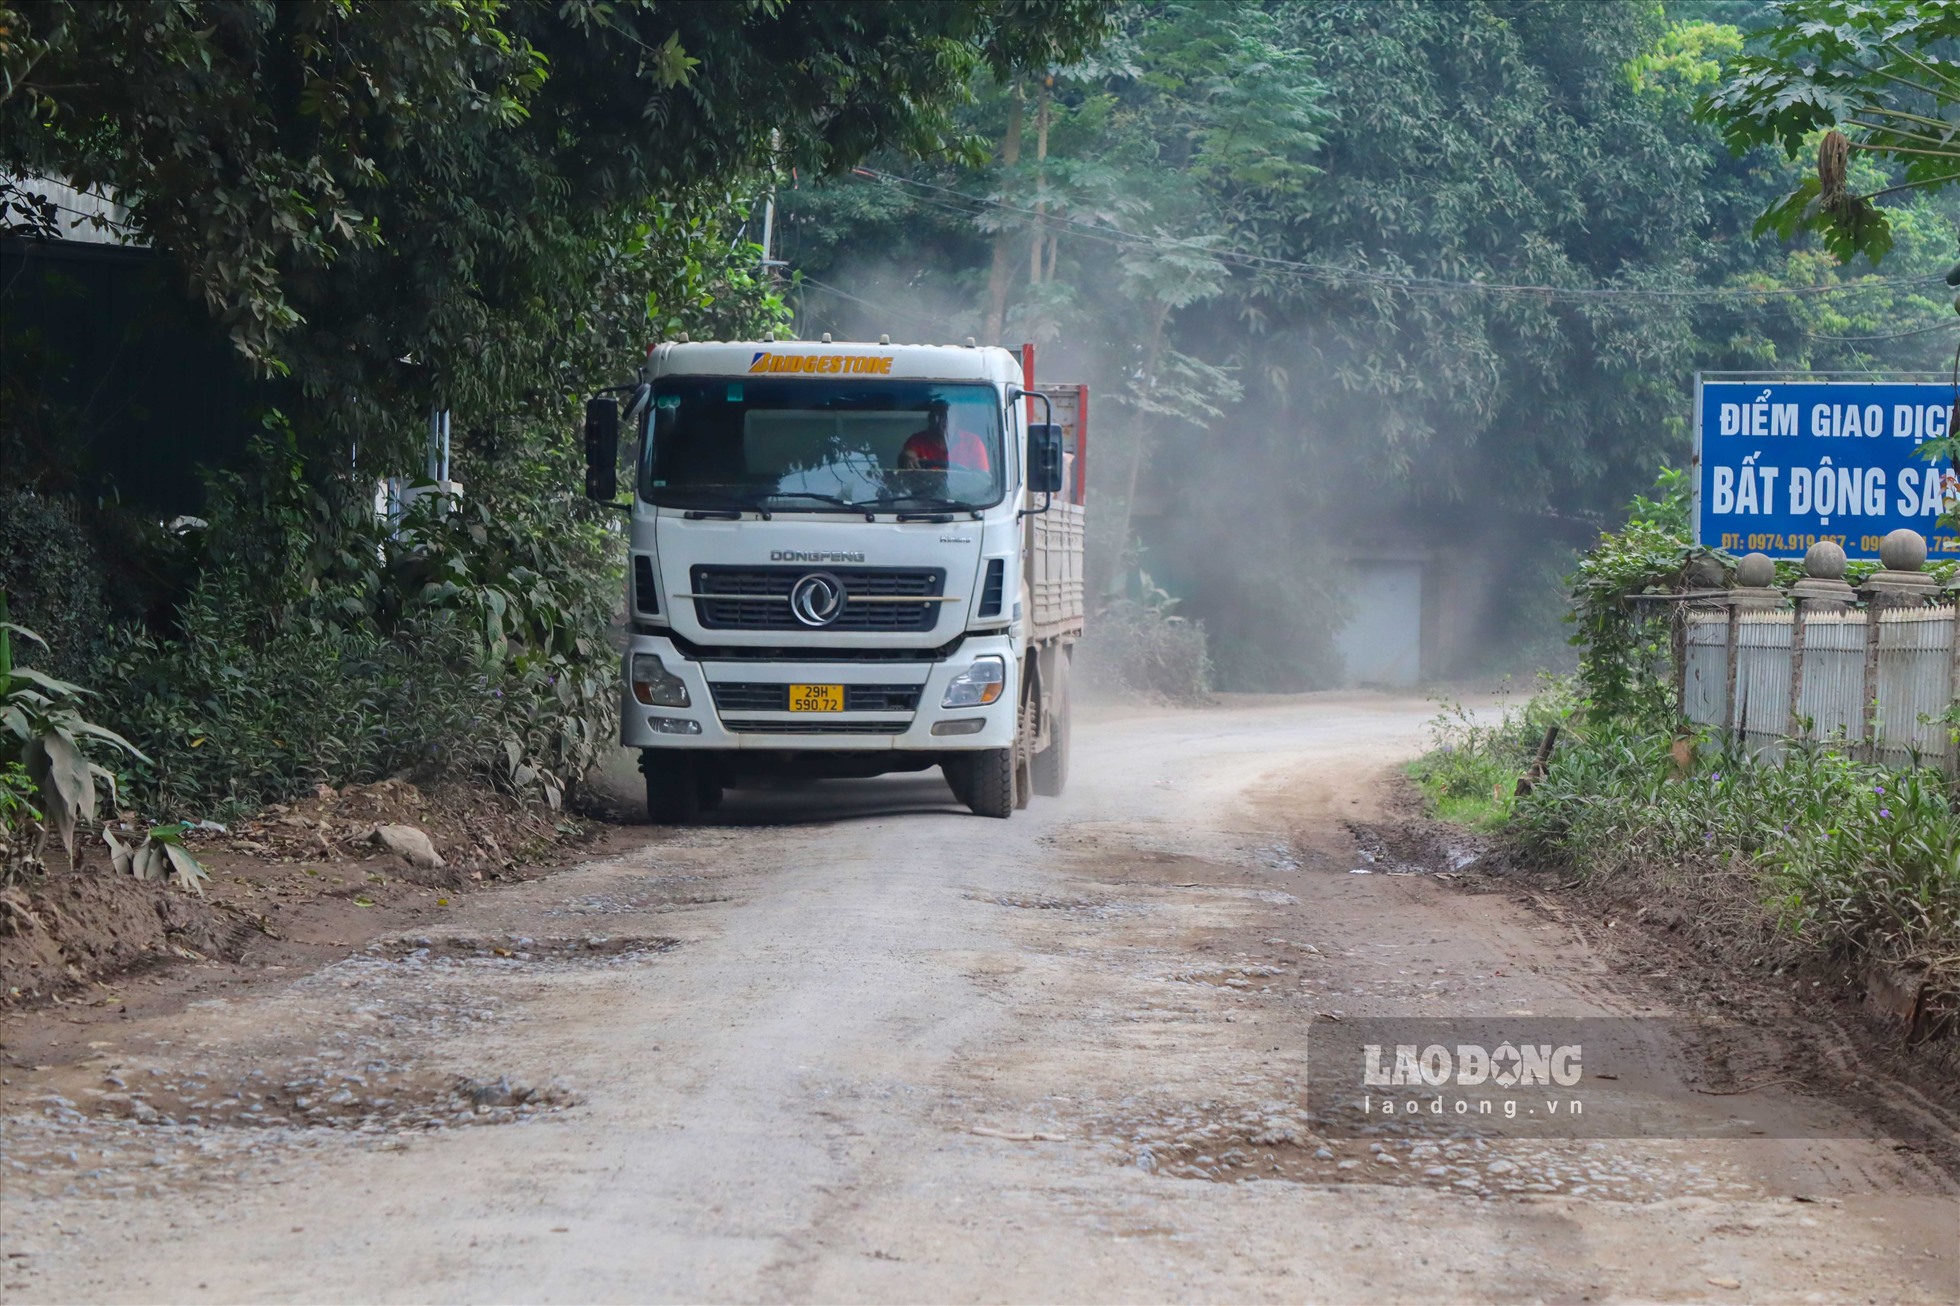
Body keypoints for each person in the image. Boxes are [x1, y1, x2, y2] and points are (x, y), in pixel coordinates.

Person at [898, 400, 991, 473]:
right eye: (937, 416)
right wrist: (908, 460)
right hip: (925, 495)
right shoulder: (917, 441)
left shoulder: (973, 442)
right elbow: (907, 456)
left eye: (947, 416)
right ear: (930, 419)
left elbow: (981, 479)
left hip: (964, 496)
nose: (942, 421)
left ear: (957, 419)